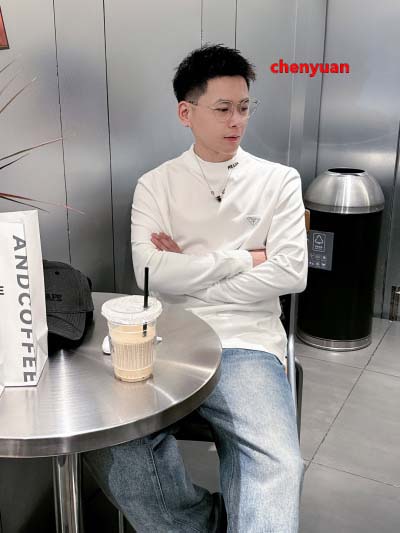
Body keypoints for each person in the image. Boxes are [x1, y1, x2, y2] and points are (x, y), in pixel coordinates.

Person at [85, 44, 308, 532]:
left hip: (246, 341)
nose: (237, 121)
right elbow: (149, 271)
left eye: (244, 107)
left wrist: (189, 273)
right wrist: (242, 259)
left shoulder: (279, 181)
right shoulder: (156, 185)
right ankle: (207, 523)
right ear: (186, 113)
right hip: (170, 337)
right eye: (223, 108)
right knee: (110, 444)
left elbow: (292, 273)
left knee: (276, 463)